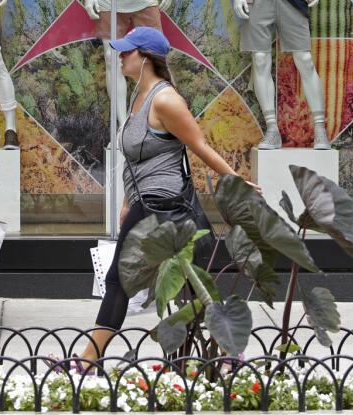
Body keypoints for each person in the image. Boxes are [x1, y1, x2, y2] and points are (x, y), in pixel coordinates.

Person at [75, 27, 261, 366]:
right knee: (193, 286)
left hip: (164, 207)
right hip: (148, 203)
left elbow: (199, 145)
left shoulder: (165, 100)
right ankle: (233, 355)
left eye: (127, 52)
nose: (120, 56)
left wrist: (235, 180)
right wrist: (127, 202)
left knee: (120, 279)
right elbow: (140, 159)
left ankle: (89, 359)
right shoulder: (139, 97)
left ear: (145, 58)